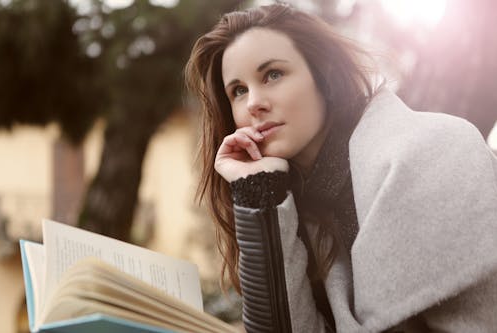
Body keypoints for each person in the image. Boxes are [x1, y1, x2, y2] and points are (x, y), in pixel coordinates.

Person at [185, 3, 497, 333]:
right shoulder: (298, 205)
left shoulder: (430, 150)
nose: (253, 103)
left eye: (273, 74)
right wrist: (257, 191)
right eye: (239, 90)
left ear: (325, 77)